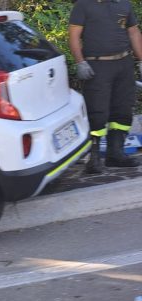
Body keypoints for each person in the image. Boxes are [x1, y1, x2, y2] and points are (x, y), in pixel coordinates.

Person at [69, 0, 142, 174]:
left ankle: (115, 154)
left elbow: (133, 32)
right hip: (97, 67)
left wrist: (140, 60)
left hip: (124, 64)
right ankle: (93, 159)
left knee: (123, 110)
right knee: (97, 112)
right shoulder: (83, 5)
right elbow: (73, 36)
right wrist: (80, 62)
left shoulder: (124, 4)